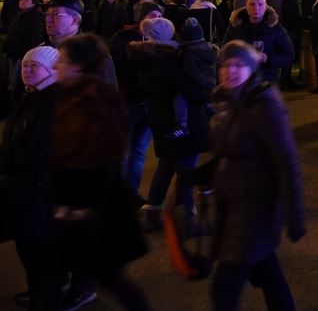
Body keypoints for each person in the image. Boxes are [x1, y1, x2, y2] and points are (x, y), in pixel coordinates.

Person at [198, 40, 306, 311]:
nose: (230, 71)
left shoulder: (264, 105)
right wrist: (204, 172)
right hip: (232, 201)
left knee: (224, 288)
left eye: (238, 65)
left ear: (250, 68)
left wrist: (295, 214)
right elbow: (230, 150)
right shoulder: (228, 101)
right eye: (225, 65)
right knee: (268, 274)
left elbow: (287, 161)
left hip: (254, 208)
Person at [50, 34, 149, 311]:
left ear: (78, 66)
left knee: (109, 275)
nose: (56, 66)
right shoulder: (65, 94)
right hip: (69, 200)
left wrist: (78, 206)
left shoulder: (96, 99)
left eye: (62, 61)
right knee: (64, 267)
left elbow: (102, 157)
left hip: (93, 206)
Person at [129, 17, 215, 232]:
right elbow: (188, 89)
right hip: (181, 122)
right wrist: (207, 94)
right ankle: (187, 219)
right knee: (186, 169)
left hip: (158, 117)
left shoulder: (143, 57)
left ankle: (152, 214)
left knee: (165, 167)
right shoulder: (168, 59)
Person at [2, 46, 59, 310]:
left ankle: (44, 299)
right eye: (25, 65)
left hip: (38, 189)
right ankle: (40, 292)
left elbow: (41, 150)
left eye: (33, 66)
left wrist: (7, 162)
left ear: (50, 70)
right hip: (23, 186)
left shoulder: (52, 101)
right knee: (29, 248)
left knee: (37, 250)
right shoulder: (31, 96)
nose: (26, 70)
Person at [223, 0, 294, 85]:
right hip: (240, 80)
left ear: (265, 7)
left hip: (267, 80)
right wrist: (238, 59)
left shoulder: (275, 28)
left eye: (260, 4)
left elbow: (288, 55)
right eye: (252, 4)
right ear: (246, 7)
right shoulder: (236, 27)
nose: (256, 8)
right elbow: (224, 50)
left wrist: (267, 58)